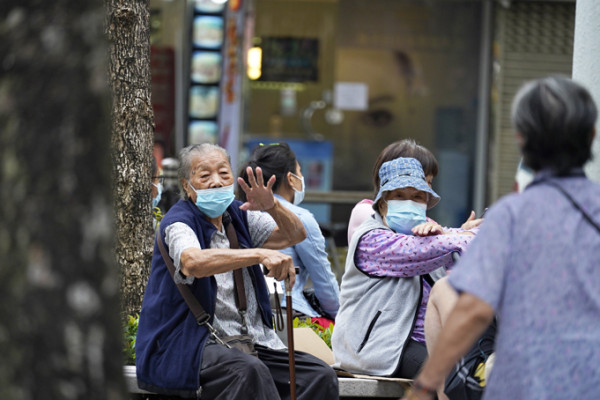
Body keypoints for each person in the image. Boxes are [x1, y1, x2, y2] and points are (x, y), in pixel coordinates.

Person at [404, 76, 600, 400]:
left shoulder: (512, 216)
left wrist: (423, 388)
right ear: (591, 135)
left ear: (521, 139)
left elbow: (473, 309)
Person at [136, 143, 339, 399]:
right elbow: (193, 262)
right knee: (249, 371)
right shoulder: (178, 222)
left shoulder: (237, 215)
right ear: (187, 186)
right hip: (192, 343)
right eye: (204, 175)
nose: (216, 182)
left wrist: (272, 207)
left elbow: (294, 235)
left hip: (247, 340)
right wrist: (258, 254)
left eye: (223, 173)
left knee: (319, 376)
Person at [332, 157, 476, 379]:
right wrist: (464, 236)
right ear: (382, 202)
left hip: (427, 338)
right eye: (398, 195)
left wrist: (447, 234)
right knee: (452, 376)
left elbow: (458, 257)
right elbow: (425, 249)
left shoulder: (429, 235)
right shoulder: (372, 239)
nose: (409, 202)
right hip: (382, 345)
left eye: (417, 196)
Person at [238, 143, 340, 323]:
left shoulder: (241, 212)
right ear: (291, 179)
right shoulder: (300, 218)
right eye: (299, 172)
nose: (302, 178)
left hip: (244, 315)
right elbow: (325, 284)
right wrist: (343, 320)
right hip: (287, 313)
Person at [347, 139, 481, 244]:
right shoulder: (366, 213)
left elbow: (441, 241)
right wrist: (462, 237)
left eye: (429, 182)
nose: (426, 189)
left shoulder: (422, 221)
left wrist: (462, 232)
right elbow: (412, 248)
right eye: (399, 194)